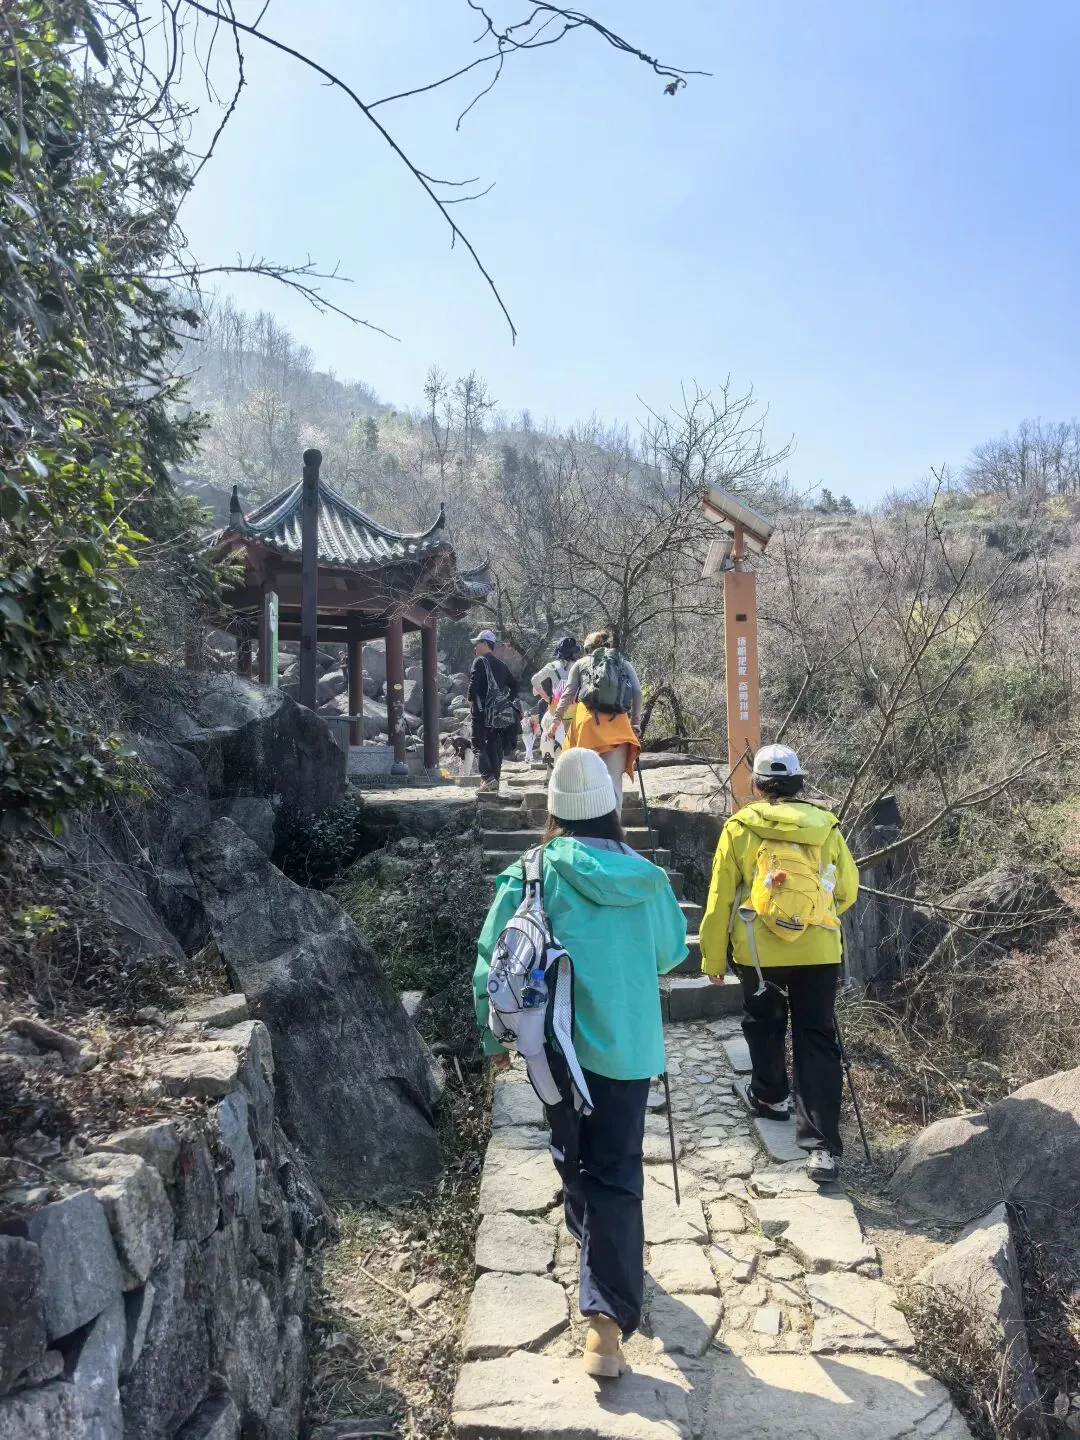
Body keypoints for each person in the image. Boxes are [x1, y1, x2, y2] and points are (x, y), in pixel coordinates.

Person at [473, 749, 688, 1377]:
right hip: (626, 1049)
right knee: (616, 1170)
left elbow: (493, 961)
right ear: (610, 807)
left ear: (554, 810)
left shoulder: (531, 873)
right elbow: (671, 953)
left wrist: (494, 1042)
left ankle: (594, 1255)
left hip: (553, 1051)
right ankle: (604, 1324)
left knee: (571, 1151)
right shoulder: (645, 878)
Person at [699, 744, 859, 1182]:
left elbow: (720, 897)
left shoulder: (739, 827)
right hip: (818, 950)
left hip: (757, 951)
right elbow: (847, 889)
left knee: (764, 1022)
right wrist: (810, 915)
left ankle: (771, 1097)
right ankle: (821, 1149)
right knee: (817, 1039)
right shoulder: (826, 826)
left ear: (757, 785)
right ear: (798, 783)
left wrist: (712, 955)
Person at [545, 630, 642, 817]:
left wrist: (556, 721)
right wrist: (635, 722)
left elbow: (568, 694)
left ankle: (587, 826)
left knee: (585, 783)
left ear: (587, 648)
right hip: (618, 728)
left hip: (587, 728)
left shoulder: (581, 663)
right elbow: (637, 692)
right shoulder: (622, 663)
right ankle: (614, 829)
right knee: (614, 782)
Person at [467, 629, 520, 793]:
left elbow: (473, 685)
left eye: (477, 643)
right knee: (494, 745)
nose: (475, 647)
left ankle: (488, 778)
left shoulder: (479, 661)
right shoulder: (501, 665)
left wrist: (471, 703)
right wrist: (506, 701)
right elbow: (515, 686)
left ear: (485, 643)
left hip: (481, 711)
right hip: (498, 714)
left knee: (478, 745)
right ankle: (494, 781)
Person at [531, 635, 582, 723]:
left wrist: (547, 699)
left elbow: (534, 680)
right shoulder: (579, 665)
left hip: (556, 713)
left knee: (544, 723)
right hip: (576, 713)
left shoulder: (552, 666)